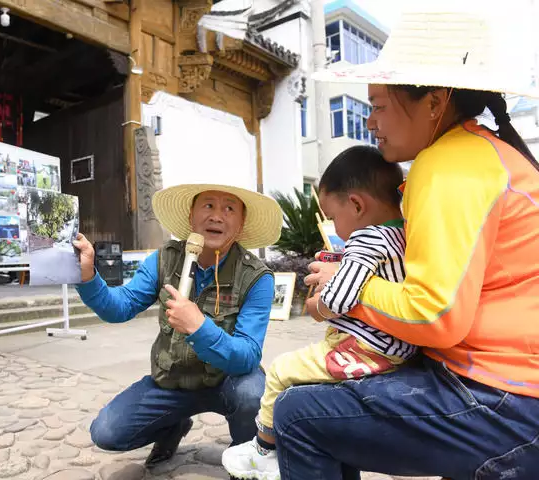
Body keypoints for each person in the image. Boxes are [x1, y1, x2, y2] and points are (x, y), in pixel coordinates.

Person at [271, 4, 539, 479]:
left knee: (298, 414)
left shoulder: (448, 166)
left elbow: (434, 314)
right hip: (513, 383)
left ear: (435, 102)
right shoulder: (481, 153)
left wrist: (345, 285)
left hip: (504, 397)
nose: (370, 122)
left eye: (377, 106)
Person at [222, 146, 415, 479]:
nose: (334, 226)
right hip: (398, 348)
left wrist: (316, 305)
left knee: (281, 370)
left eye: (332, 216)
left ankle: (265, 449)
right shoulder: (401, 233)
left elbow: (338, 300)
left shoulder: (367, 238)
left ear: (356, 205)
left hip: (369, 349)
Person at [72, 182, 282, 467]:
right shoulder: (164, 259)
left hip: (226, 381)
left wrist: (199, 327)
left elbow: (247, 355)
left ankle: (244, 457)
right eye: (208, 205)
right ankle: (173, 426)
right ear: (190, 217)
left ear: (241, 224)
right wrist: (88, 275)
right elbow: (119, 307)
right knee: (106, 432)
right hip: (171, 382)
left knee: (252, 394)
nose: (217, 216)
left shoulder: (257, 277)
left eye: (229, 208)